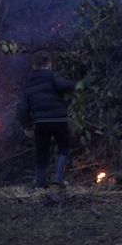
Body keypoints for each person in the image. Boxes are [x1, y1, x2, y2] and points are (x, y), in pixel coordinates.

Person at [17, 50, 75, 188]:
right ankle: (57, 179)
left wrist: (27, 126)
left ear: (34, 65)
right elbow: (64, 86)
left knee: (41, 152)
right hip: (59, 120)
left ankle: (40, 183)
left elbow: (22, 108)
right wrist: (74, 84)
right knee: (64, 147)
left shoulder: (28, 83)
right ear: (49, 64)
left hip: (40, 123)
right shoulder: (52, 76)